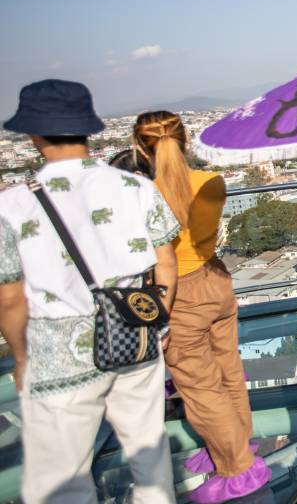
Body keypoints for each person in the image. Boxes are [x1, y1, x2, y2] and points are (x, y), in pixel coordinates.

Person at [0, 80, 180, 503]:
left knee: (64, 478)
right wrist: (159, 320)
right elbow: (166, 263)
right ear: (87, 129)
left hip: (60, 352)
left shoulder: (11, 205)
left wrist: (22, 357)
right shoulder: (135, 187)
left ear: (34, 135)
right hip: (135, 334)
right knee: (150, 460)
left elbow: (9, 297)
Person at [132, 111, 270, 502]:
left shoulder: (143, 196)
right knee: (228, 370)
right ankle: (236, 445)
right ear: (186, 140)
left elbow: (159, 255)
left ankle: (237, 467)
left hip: (179, 294)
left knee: (199, 388)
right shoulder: (212, 181)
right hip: (217, 282)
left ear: (140, 147)